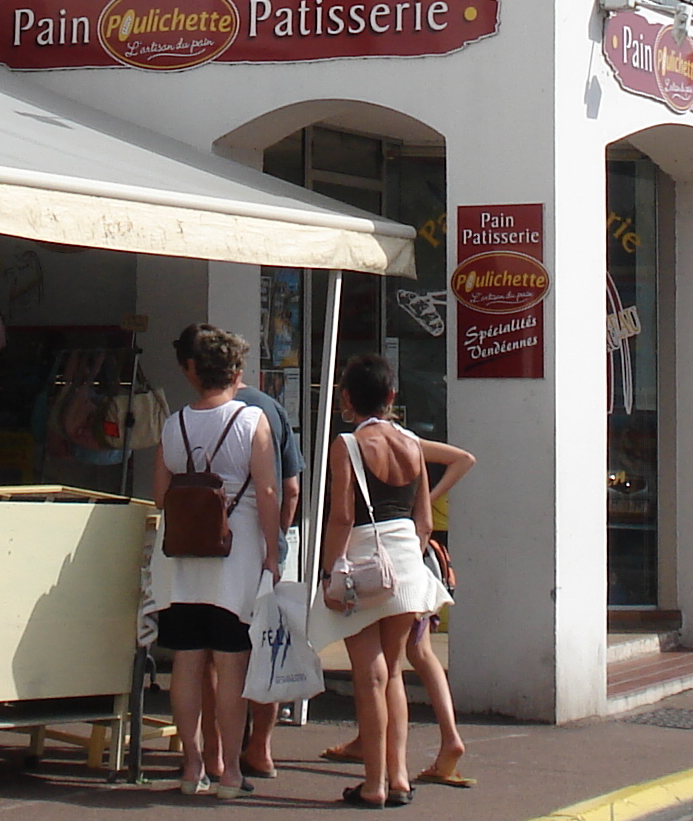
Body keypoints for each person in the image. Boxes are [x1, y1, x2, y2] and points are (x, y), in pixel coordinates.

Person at [315, 402, 476, 788]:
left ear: (348, 401)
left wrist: (327, 571)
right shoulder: (410, 443)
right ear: (389, 397)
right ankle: (398, 776)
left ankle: (374, 784)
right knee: (396, 672)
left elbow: (342, 516)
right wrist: (411, 550)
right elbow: (423, 518)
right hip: (406, 562)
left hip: (362, 562)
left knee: (370, 676)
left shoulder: (349, 444)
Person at [151, 325, 279, 796]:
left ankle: (191, 767)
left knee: (185, 664)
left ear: (194, 372)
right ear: (235, 371)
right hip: (236, 556)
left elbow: (161, 495)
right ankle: (230, 772)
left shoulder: (174, 423)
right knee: (231, 667)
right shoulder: (250, 422)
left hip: (182, 558)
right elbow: (266, 490)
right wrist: (272, 549)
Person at [207, 346, 303, 786]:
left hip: (210, 548)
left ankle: (214, 752)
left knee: (214, 656)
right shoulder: (269, 409)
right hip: (264, 547)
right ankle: (259, 747)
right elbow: (289, 487)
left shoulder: (193, 415)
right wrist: (277, 537)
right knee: (267, 645)